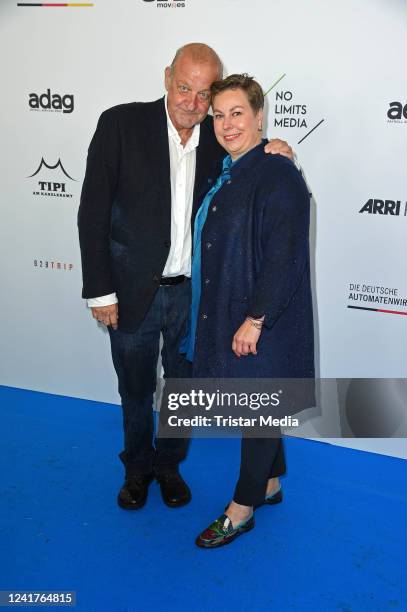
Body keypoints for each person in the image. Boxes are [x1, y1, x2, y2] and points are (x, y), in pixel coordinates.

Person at [78, 43, 294, 512]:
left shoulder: (221, 136)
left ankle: (168, 466)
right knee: (134, 388)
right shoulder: (120, 124)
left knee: (182, 389)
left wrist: (279, 149)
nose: (192, 103)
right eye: (183, 87)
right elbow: (92, 213)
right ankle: (137, 470)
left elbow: (255, 159)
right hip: (132, 290)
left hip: (193, 296)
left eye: (204, 94)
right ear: (166, 78)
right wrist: (99, 290)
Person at [180, 74, 314, 547]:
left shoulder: (277, 174)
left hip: (261, 320)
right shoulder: (229, 167)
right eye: (218, 115)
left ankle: (242, 508)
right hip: (233, 308)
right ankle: (271, 481)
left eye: (237, 113)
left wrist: (257, 317)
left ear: (260, 116)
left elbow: (286, 253)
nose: (226, 123)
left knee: (259, 409)